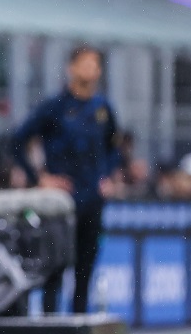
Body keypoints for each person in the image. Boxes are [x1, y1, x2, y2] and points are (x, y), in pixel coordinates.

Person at [11, 44, 120, 314]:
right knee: (55, 269)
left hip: (92, 200)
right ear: (71, 68)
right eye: (85, 63)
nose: (91, 70)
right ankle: (51, 326)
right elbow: (17, 141)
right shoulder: (55, 106)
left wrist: (107, 177)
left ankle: (79, 325)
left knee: (85, 271)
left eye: (95, 64)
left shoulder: (102, 108)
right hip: (60, 203)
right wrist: (40, 178)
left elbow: (114, 147)